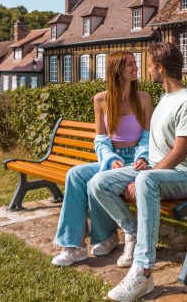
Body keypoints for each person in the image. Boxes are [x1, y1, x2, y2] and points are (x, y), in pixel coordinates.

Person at [88, 42, 187, 302]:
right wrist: (142, 163)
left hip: (182, 176)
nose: (146, 70)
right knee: (98, 183)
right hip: (156, 171)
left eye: (149, 65)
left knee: (146, 181)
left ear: (160, 68)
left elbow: (179, 153)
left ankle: (143, 273)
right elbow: (156, 145)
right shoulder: (164, 97)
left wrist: (144, 174)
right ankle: (133, 230)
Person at [52, 51, 153, 267]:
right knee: (75, 174)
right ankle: (74, 246)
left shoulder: (144, 98)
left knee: (98, 180)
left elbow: (147, 136)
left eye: (135, 63)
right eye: (130, 64)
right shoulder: (101, 99)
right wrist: (109, 158)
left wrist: (142, 157)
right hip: (113, 159)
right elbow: (101, 140)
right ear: (116, 70)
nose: (135, 68)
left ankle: (106, 237)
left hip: (135, 161)